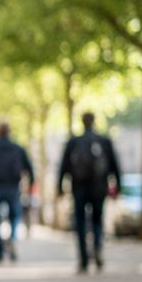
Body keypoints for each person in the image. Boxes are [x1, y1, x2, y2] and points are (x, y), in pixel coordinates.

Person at [57, 112, 120, 273]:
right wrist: (118, 186)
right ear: (94, 121)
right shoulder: (103, 140)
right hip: (99, 186)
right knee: (97, 219)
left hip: (79, 187)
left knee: (80, 221)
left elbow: (64, 165)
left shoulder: (74, 141)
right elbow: (114, 164)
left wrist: (60, 187)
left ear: (82, 122)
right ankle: (97, 247)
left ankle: (83, 258)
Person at [0, 121, 34, 263]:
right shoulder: (18, 148)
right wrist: (31, 185)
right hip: (13, 187)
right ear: (9, 131)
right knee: (14, 217)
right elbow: (29, 168)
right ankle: (12, 239)